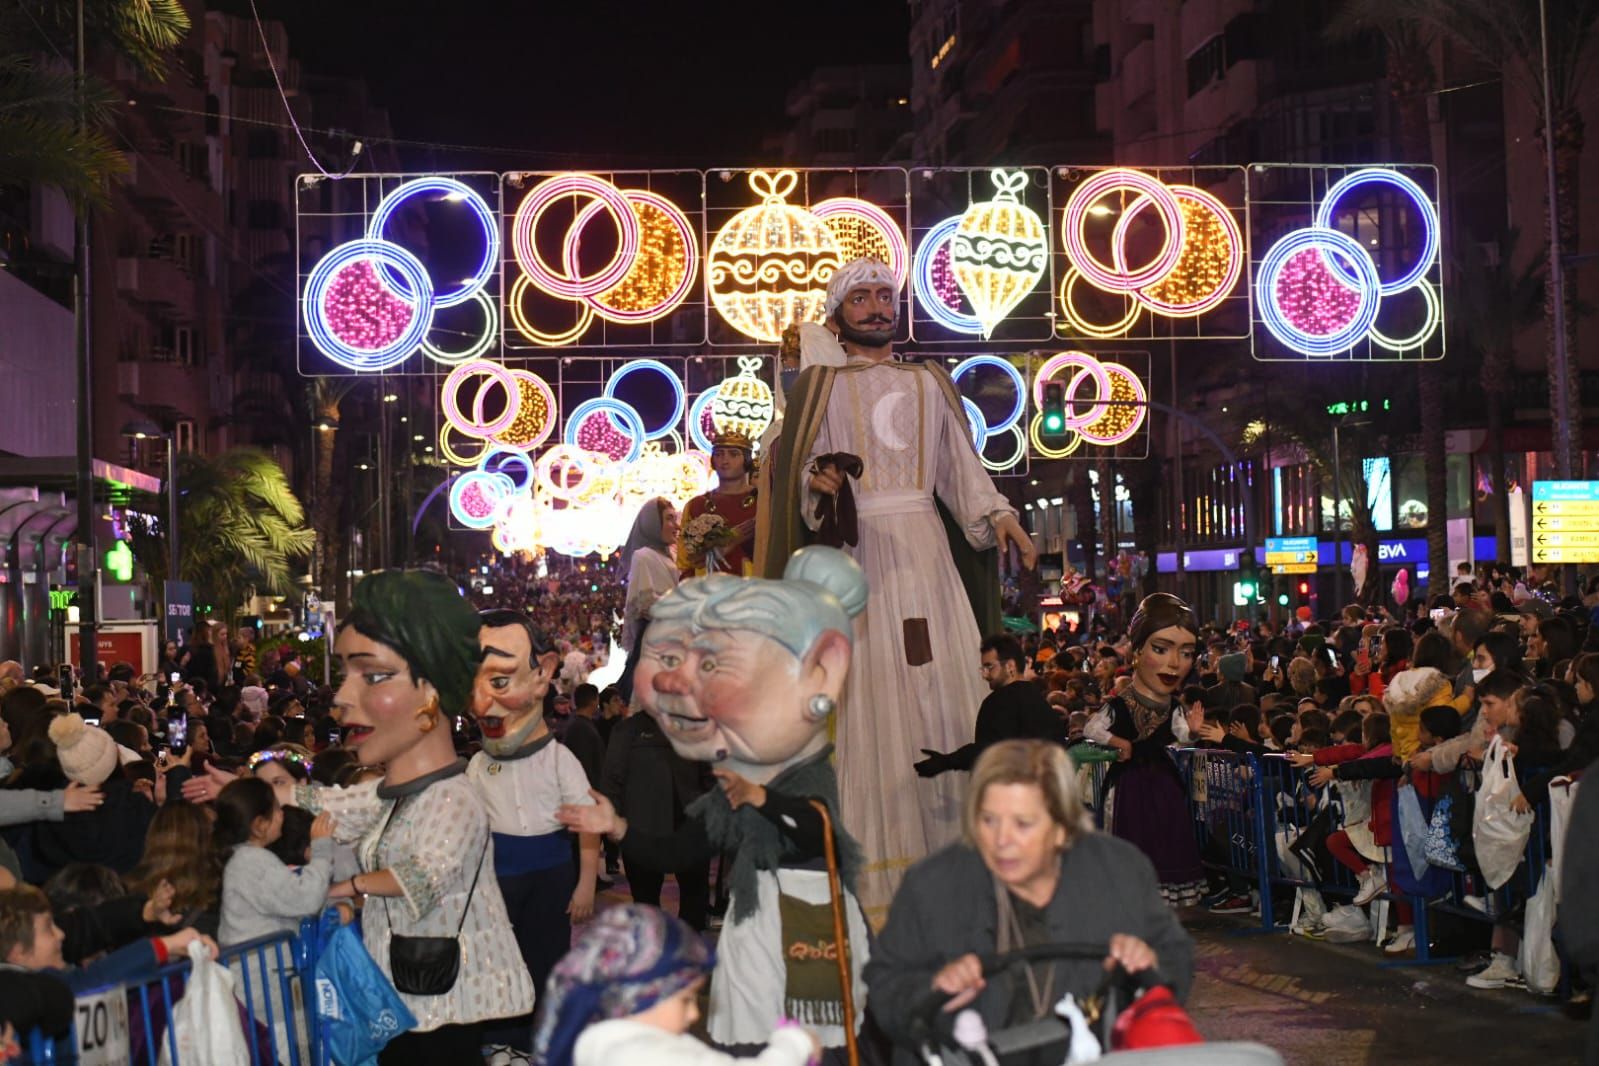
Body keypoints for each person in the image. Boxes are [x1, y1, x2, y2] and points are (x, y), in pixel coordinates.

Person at [759, 257, 1038, 918]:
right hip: (862, 561)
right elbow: (800, 473)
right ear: (839, 312)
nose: (878, 306)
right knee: (869, 705)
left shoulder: (928, 381)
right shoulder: (818, 387)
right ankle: (873, 879)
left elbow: (959, 469)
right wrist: (816, 486)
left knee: (944, 693)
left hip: (927, 556)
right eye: (862, 297)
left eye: (886, 295)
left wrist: (998, 514)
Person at [559, 546, 871, 1057]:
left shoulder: (805, 773)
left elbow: (818, 832)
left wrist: (762, 799)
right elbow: (675, 853)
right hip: (752, 951)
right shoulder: (734, 781)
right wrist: (616, 828)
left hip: (813, 943)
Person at [221, 571, 536, 1063]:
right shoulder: (397, 793)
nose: (343, 698)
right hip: (399, 992)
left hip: (444, 995)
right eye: (345, 675)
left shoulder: (453, 797)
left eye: (372, 676)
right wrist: (248, 791)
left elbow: (419, 876)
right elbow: (337, 805)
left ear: (431, 691)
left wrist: (340, 888)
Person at [866, 740, 1194, 1065]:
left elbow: (1174, 957)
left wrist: (1147, 964)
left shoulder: (1119, 870)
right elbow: (885, 988)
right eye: (988, 820)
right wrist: (932, 990)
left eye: (1022, 823)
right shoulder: (932, 884)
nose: (1001, 840)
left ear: (1062, 829)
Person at [467, 607, 600, 1053]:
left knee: (544, 961)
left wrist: (584, 885)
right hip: (498, 874)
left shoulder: (560, 758)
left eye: (500, 681)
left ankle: (529, 1042)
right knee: (499, 960)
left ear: (542, 674)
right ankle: (500, 1040)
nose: (484, 701)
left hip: (551, 871)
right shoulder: (476, 765)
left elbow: (586, 823)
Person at [532, 904, 818, 1066]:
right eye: (685, 999)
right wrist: (795, 1043)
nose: (694, 1014)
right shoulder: (650, 1055)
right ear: (640, 994)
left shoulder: (589, 1038)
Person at [1090, 594, 1207, 905]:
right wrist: (1119, 742)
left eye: (1185, 653)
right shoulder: (1120, 703)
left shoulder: (1175, 707)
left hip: (1163, 781)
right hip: (1129, 781)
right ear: (1137, 651)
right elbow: (1093, 728)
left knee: (1167, 837)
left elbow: (1182, 736)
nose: (1174, 664)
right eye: (1161, 648)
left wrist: (1193, 733)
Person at [914, 634, 1064, 777]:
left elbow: (991, 750)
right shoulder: (1037, 698)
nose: (985, 675)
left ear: (1010, 666)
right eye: (983, 668)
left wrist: (946, 761)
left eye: (989, 667)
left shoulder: (1000, 700)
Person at [678, 428, 759, 578]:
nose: (725, 461)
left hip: (751, 591)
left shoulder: (763, 502)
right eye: (719, 454)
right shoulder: (696, 505)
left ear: (747, 460)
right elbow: (686, 564)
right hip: (707, 592)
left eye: (734, 454)